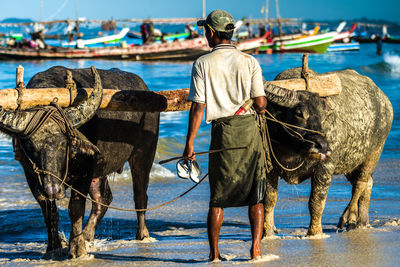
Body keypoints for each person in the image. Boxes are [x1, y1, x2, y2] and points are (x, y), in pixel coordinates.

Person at [183, 10, 268, 261]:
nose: (204, 35)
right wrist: (257, 104)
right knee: (256, 194)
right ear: (230, 33)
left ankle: (214, 254)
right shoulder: (250, 61)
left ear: (211, 32)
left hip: (223, 134)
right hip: (249, 133)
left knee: (217, 197)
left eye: (204, 31)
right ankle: (255, 249)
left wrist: (189, 144)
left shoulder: (202, 64)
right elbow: (261, 103)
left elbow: (198, 106)